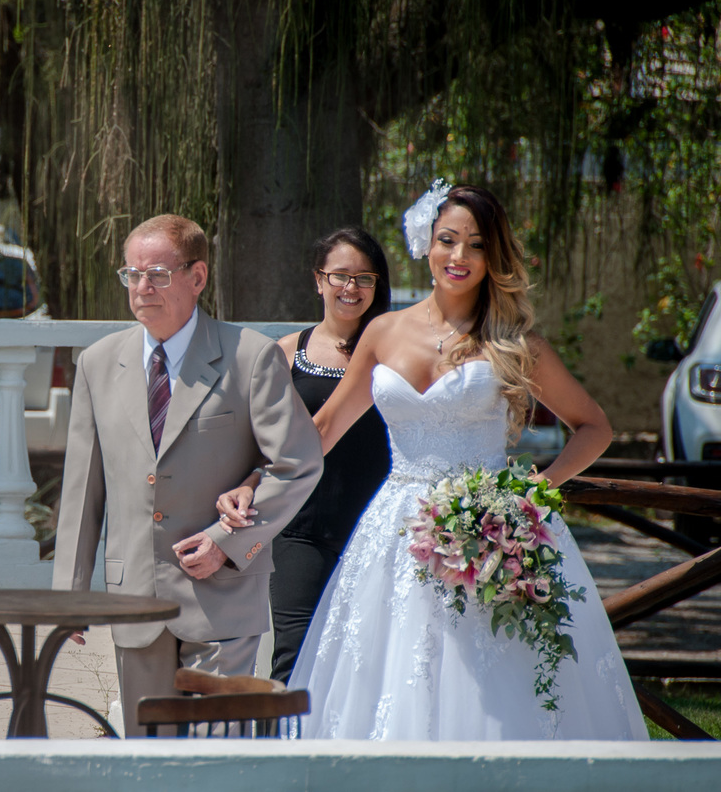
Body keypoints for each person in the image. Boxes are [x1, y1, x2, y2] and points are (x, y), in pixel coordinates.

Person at [218, 182, 647, 740]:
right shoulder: (382, 332)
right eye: (448, 240)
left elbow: (595, 428)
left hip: (495, 536)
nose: (459, 256)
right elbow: (318, 432)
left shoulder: (514, 342)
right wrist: (253, 481)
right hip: (396, 532)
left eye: (475, 244)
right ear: (426, 244)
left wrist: (530, 495)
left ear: (493, 256)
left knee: (497, 684)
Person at [52, 214, 324, 737]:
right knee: (147, 752)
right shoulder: (97, 363)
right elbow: (83, 489)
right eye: (131, 275)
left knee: (215, 753)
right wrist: (71, 593)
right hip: (135, 597)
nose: (141, 288)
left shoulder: (250, 357)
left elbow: (298, 463)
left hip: (223, 592)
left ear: (197, 278)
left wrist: (226, 540)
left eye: (156, 273)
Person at [218, 228, 392, 683]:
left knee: (368, 661)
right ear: (318, 280)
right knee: (293, 658)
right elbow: (264, 445)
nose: (351, 288)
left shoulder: (397, 354)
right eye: (340, 275)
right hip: (301, 528)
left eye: (364, 278)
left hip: (379, 525)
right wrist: (248, 485)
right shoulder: (284, 353)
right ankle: (285, 750)